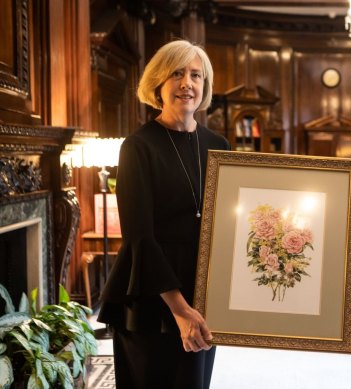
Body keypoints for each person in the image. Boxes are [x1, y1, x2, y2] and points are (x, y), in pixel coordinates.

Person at [97, 40, 230, 388]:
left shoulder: (219, 146)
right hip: (152, 293)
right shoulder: (137, 147)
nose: (187, 82)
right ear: (158, 83)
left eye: (196, 75)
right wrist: (180, 309)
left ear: (205, 86)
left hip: (201, 287)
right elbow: (140, 237)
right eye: (176, 73)